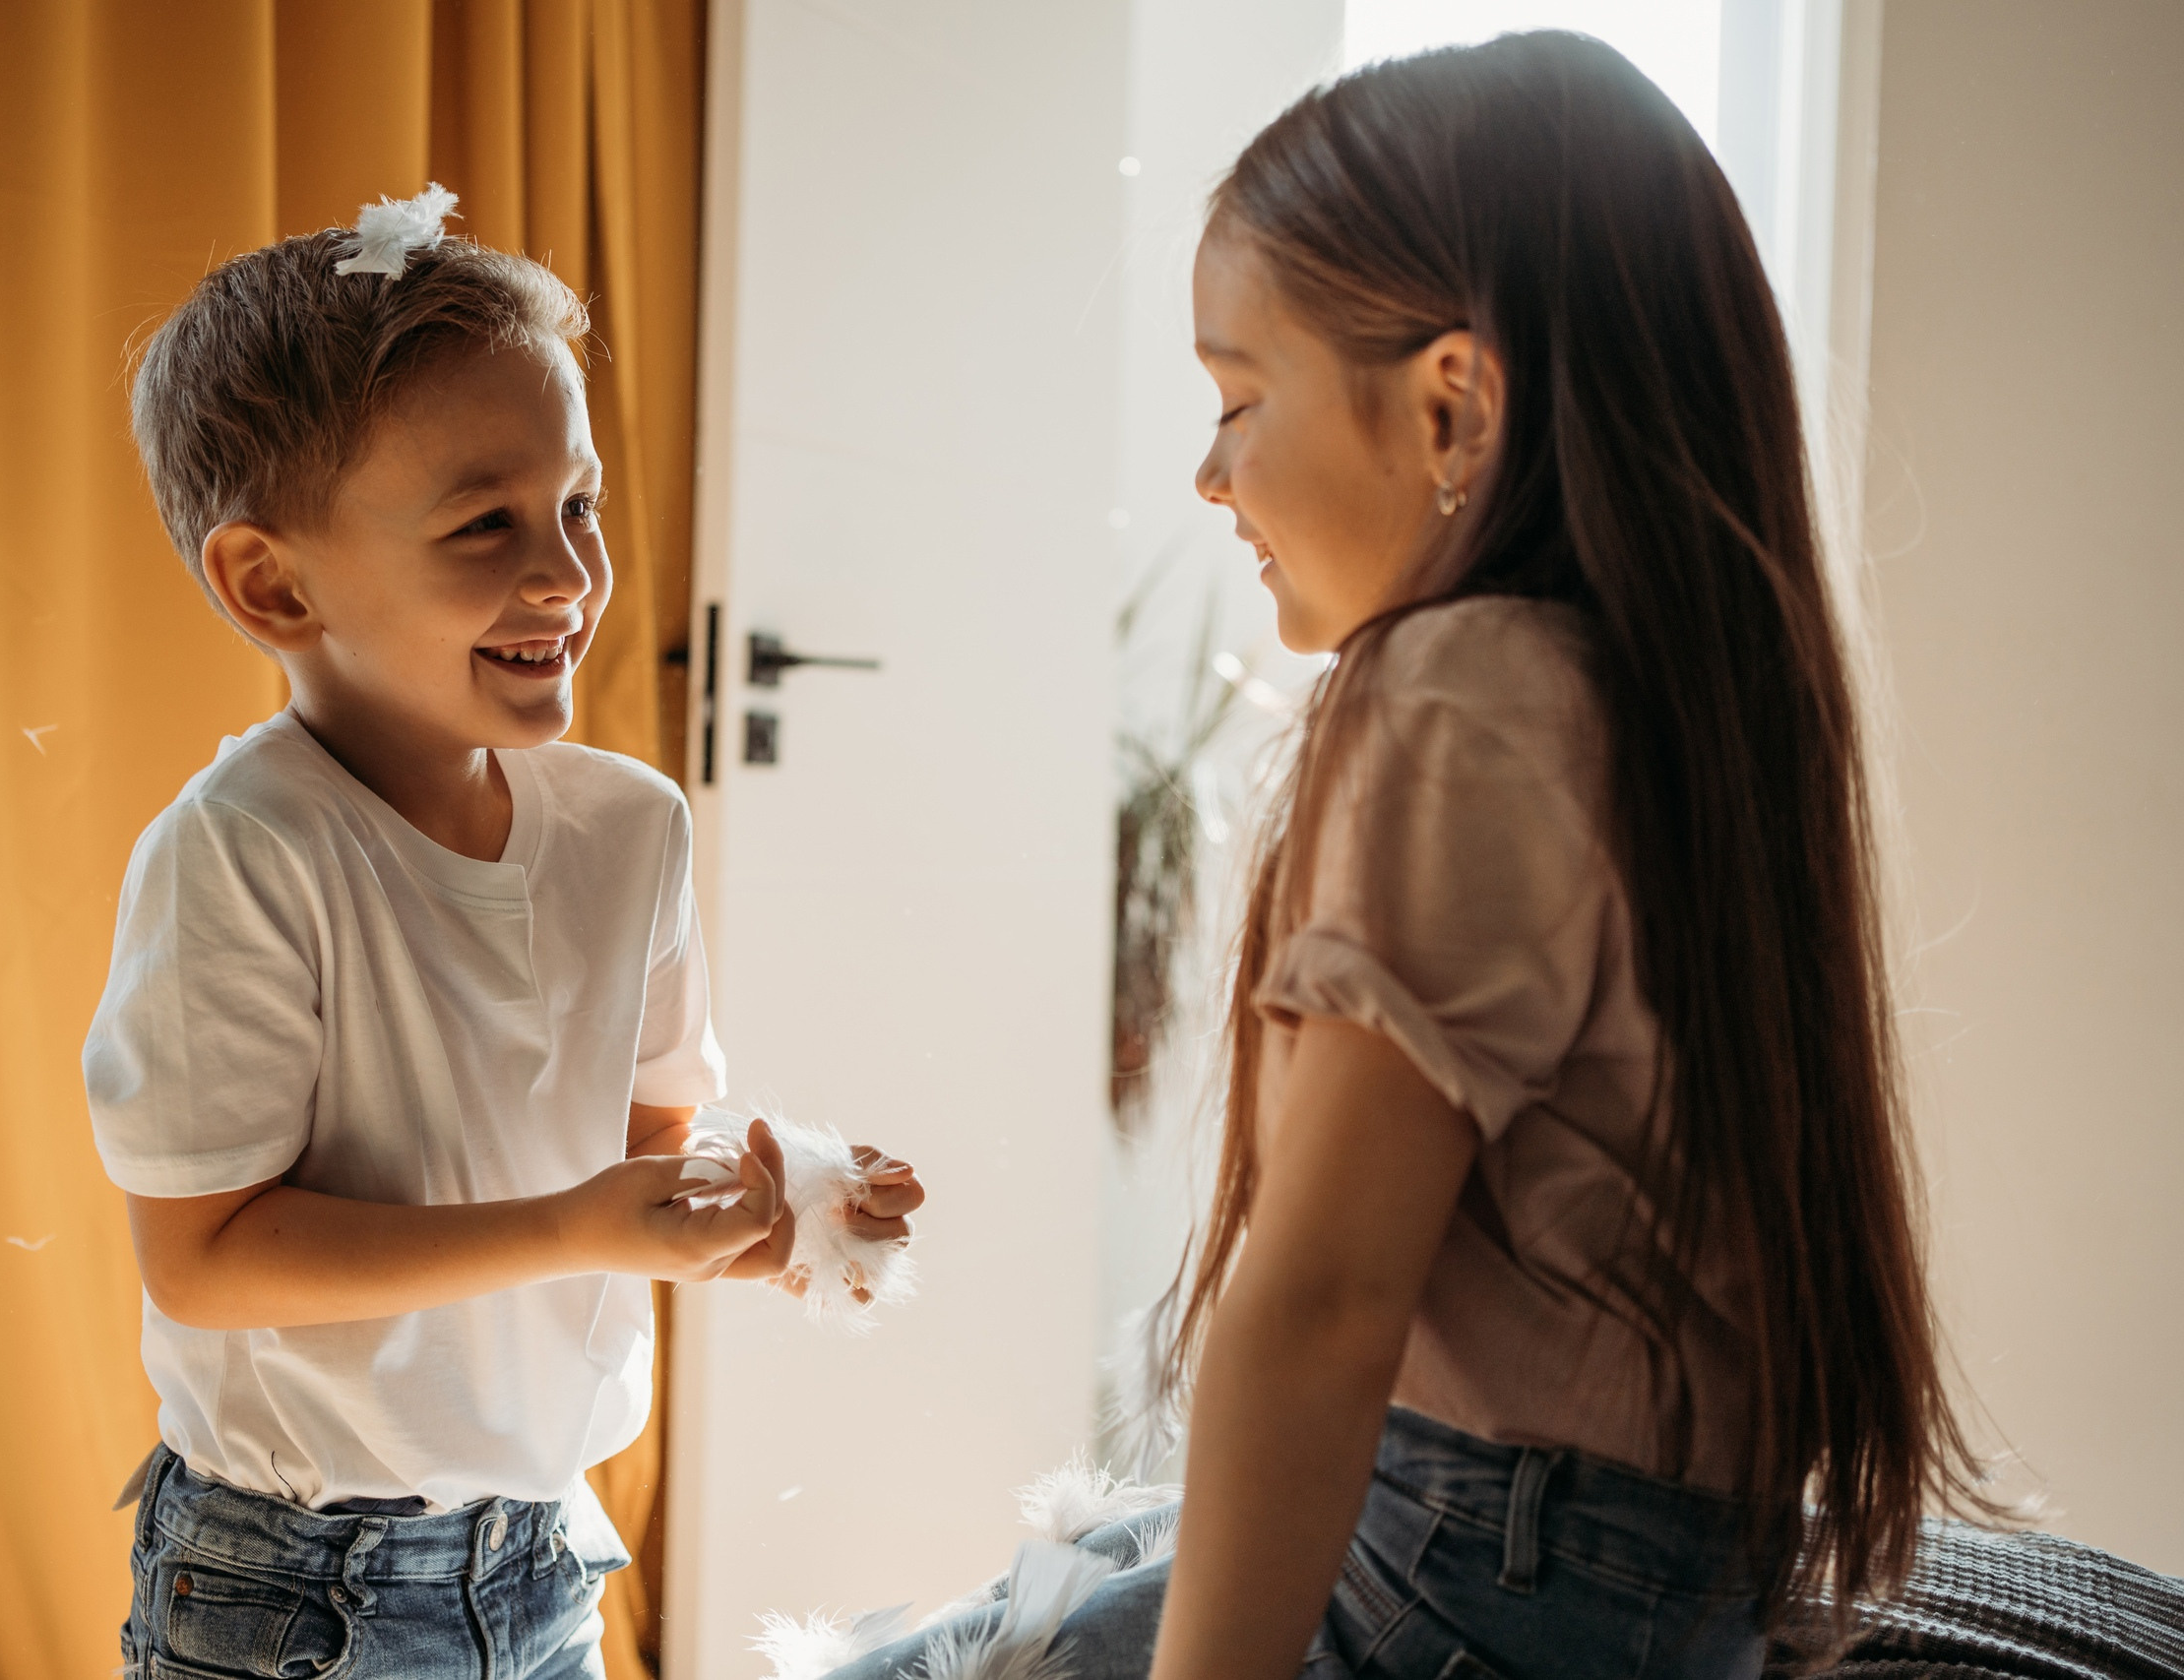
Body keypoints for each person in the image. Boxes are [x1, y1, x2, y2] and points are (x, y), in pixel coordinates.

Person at [832, 31, 1991, 1680]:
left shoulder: (1464, 687)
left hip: (1476, 1570)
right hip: (1624, 1576)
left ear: (1455, 402)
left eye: (1239, 398)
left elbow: (1317, 1311)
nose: (1209, 473)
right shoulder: (1674, 697)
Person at [86, 191, 924, 1680]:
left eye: (578, 506)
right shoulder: (246, 854)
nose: (568, 575)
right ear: (274, 585)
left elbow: (641, 1150)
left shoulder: (632, 829)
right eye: (487, 524)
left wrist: (774, 1206)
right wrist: (572, 1228)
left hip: (542, 1555)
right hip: (297, 1588)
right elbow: (205, 1259)